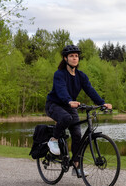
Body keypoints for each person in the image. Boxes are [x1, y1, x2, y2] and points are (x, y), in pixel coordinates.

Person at [45, 45, 112, 177]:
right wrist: (69, 101)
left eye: (76, 56)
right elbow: (61, 90)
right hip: (54, 105)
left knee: (77, 135)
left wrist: (102, 103)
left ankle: (76, 167)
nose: (75, 58)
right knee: (66, 118)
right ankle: (54, 139)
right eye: (71, 56)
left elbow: (90, 90)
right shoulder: (59, 74)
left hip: (70, 106)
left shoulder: (81, 76)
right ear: (65, 58)